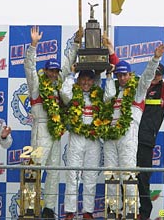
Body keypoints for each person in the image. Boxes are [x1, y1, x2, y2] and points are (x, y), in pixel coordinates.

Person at [103, 43, 164, 218]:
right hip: (110, 136)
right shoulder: (114, 91)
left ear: (131, 75)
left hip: (128, 136)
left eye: (125, 75)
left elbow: (147, 76)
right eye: (119, 75)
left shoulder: (139, 90)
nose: (122, 78)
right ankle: (113, 211)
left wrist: (155, 58)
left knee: (129, 175)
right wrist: (110, 71)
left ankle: (132, 211)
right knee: (110, 175)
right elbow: (107, 98)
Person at [24, 26, 80, 219]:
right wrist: (33, 45)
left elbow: (67, 65)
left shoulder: (57, 85)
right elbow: (29, 67)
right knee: (34, 168)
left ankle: (48, 209)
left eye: (56, 71)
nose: (54, 74)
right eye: (51, 70)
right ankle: (29, 208)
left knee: (54, 172)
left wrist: (75, 44)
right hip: (40, 130)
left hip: (55, 133)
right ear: (45, 70)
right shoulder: (36, 85)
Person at [60, 66, 115, 220]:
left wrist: (109, 75)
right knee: (73, 174)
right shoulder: (73, 94)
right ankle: (70, 211)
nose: (85, 82)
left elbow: (111, 95)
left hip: (94, 140)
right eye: (82, 78)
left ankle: (87, 211)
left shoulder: (98, 94)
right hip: (76, 137)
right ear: (78, 80)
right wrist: (71, 74)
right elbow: (64, 93)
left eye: (88, 79)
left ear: (93, 81)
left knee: (90, 175)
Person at [137, 47, 164, 220]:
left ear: (161, 76)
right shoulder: (140, 86)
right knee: (123, 176)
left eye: (158, 74)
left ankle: (144, 213)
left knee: (143, 179)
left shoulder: (163, 89)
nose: (155, 77)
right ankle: (126, 210)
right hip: (128, 138)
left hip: (146, 140)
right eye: (153, 73)